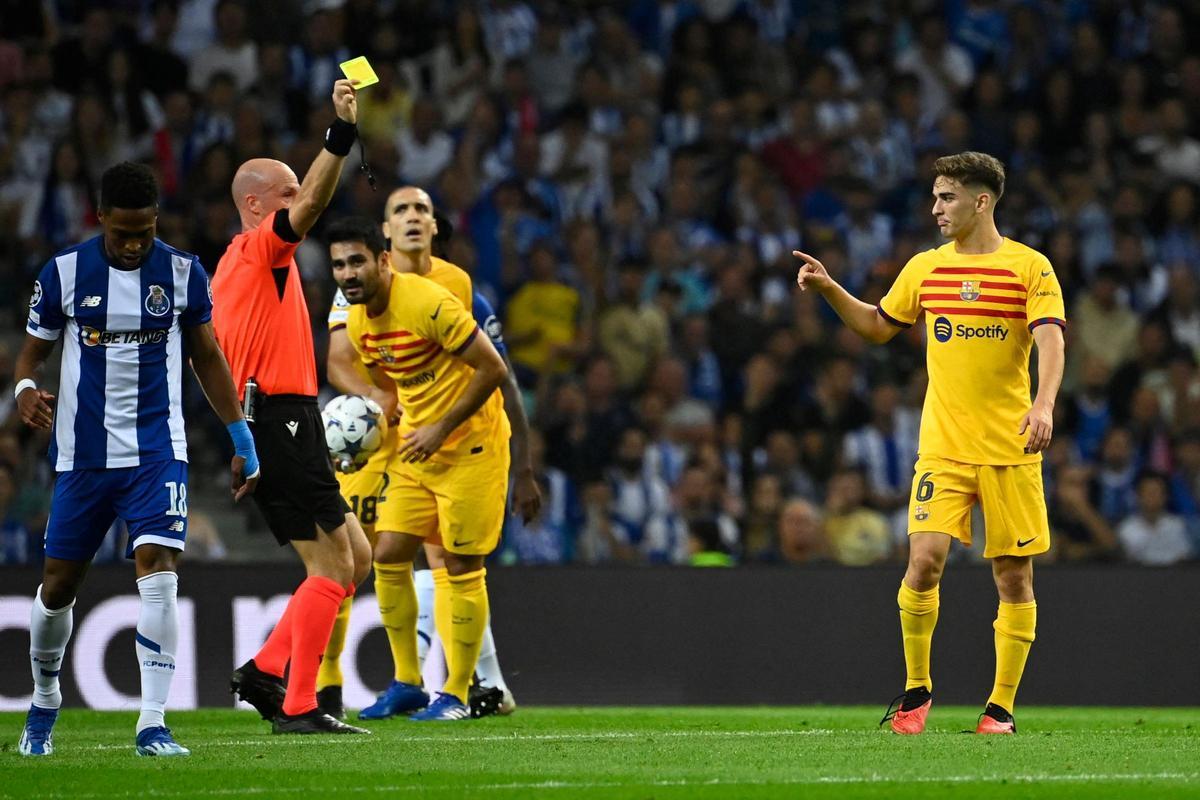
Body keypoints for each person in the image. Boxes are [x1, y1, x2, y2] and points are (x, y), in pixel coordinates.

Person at [794, 151, 1066, 735]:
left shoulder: (1031, 268)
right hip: (942, 446)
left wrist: (1043, 404)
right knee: (923, 562)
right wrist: (828, 288)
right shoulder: (925, 268)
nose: (936, 207)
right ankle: (916, 694)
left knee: (1013, 577)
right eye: (936, 196)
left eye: (947, 197)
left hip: (1011, 447)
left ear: (981, 201)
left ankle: (1000, 709)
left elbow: (1050, 341)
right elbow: (876, 326)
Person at [14, 161, 260, 757]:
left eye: (143, 233)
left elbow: (208, 357)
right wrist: (26, 394)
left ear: (157, 222)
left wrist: (242, 438)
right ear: (100, 218)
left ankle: (153, 723)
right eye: (122, 232)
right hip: (83, 456)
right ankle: (45, 699)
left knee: (158, 569)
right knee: (56, 586)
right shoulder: (66, 273)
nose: (132, 245)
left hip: (157, 451)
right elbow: (29, 359)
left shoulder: (181, 273)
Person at [320, 195, 539, 720]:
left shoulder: (433, 299)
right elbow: (384, 381)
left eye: (357, 262)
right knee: (389, 554)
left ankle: (460, 694)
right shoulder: (357, 321)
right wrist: (376, 424)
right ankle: (408, 682)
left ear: (382, 259)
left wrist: (446, 427)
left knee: (460, 565)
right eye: (339, 265)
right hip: (418, 449)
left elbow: (494, 370)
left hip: (471, 447)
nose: (348, 273)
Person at [211, 79, 371, 736]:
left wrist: (239, 440)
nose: (298, 200)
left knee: (353, 559)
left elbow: (213, 366)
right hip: (281, 420)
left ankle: (266, 670)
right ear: (255, 205)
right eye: (282, 192)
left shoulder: (229, 270)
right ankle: (298, 702)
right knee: (333, 566)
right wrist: (340, 135)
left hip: (271, 423)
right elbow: (309, 204)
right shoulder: (258, 249)